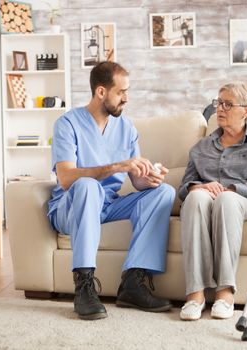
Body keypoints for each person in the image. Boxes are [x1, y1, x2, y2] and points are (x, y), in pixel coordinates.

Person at [47, 61, 175, 320]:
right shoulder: (67, 123)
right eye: (121, 92)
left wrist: (149, 178)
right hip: (72, 206)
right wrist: (118, 165)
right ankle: (83, 285)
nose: (126, 99)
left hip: (107, 205)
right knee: (86, 185)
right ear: (101, 92)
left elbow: (135, 180)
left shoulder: (126, 127)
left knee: (165, 193)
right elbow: (66, 178)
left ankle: (133, 283)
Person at [177, 81, 247, 321]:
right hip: (210, 201)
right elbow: (183, 187)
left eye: (227, 104)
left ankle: (224, 294)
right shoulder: (200, 148)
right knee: (194, 198)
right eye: (218, 103)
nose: (219, 109)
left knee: (227, 200)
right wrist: (200, 187)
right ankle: (195, 295)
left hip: (246, 205)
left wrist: (229, 189)